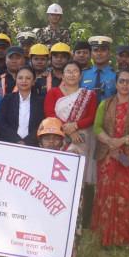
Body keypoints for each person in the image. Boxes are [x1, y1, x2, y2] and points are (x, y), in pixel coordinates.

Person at [5, 117, 77, 257]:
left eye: (55, 138)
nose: (51, 142)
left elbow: (76, 208)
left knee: (57, 228)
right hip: (29, 224)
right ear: (40, 142)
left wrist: (73, 242)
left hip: (54, 224)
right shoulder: (28, 162)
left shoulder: (69, 165)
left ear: (62, 141)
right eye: (47, 138)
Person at [92, 68, 129, 246]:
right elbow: (97, 127)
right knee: (105, 195)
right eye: (122, 81)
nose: (125, 84)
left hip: (128, 159)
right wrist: (111, 143)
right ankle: (102, 236)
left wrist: (121, 142)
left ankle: (122, 238)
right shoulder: (105, 104)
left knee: (125, 197)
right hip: (107, 157)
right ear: (115, 84)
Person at [44, 60, 98, 227]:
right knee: (58, 180)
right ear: (63, 74)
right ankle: (55, 218)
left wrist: (75, 126)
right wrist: (68, 129)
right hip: (58, 140)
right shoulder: (53, 92)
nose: (72, 74)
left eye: (75, 72)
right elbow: (49, 114)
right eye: (68, 71)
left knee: (78, 182)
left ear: (81, 75)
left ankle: (78, 222)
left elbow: (91, 117)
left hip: (81, 141)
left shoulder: (88, 95)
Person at [0, 66, 46, 145]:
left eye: (28, 78)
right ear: (16, 80)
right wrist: (16, 140)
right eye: (20, 78)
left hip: (32, 145)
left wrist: (26, 141)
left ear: (34, 81)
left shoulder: (40, 101)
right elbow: (1, 122)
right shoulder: (8, 99)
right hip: (9, 143)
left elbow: (42, 124)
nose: (24, 81)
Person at [81, 36, 117, 103]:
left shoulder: (116, 75)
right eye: (96, 50)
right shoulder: (82, 74)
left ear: (109, 53)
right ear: (91, 54)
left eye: (103, 50)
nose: (99, 53)